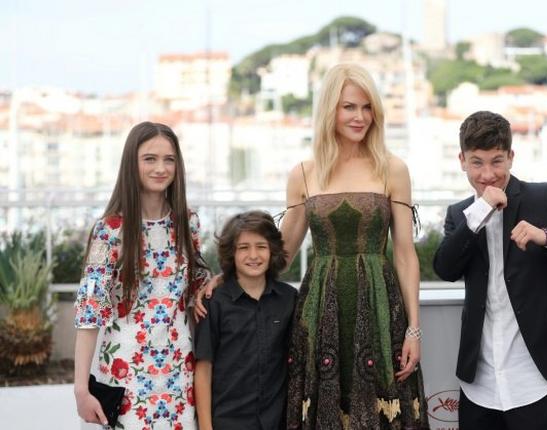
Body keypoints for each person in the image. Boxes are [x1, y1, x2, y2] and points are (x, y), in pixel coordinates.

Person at [196, 63, 429, 429]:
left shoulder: (393, 169)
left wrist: (414, 329)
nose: (360, 117)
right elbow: (282, 252)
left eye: (367, 108)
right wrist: (226, 278)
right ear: (329, 110)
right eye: (349, 107)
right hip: (323, 310)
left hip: (382, 307)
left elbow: (404, 254)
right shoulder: (303, 173)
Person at [432, 111, 547, 430]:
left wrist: (545, 236)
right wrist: (479, 212)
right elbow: (445, 268)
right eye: (477, 162)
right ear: (461, 160)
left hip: (534, 375)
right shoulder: (460, 213)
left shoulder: (542, 198)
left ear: (511, 157)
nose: (488, 174)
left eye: (497, 161)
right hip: (480, 381)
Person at [73, 122, 210, 429]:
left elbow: (199, 290)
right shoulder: (109, 231)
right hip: (125, 375)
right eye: (150, 158)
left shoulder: (189, 223)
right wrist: (81, 389)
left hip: (178, 375)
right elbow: (89, 313)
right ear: (131, 164)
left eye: (169, 159)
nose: (161, 168)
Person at [194, 210, 297, 430]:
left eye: (261, 246)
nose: (253, 255)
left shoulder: (289, 299)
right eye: (243, 247)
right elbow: (203, 368)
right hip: (227, 421)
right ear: (231, 253)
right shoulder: (214, 303)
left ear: (272, 250)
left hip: (276, 421)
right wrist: (205, 426)